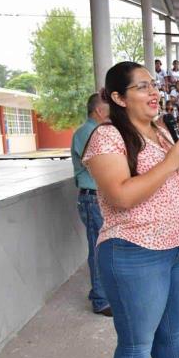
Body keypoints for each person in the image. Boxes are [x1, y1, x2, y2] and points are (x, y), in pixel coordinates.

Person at [82, 61, 179, 358]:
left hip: (178, 248)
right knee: (137, 346)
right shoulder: (107, 137)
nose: (154, 92)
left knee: (171, 340)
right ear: (119, 98)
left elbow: (175, 193)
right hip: (133, 252)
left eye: (154, 84)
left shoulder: (162, 132)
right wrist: (169, 162)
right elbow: (120, 196)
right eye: (143, 86)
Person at [70, 93, 111, 317]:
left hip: (96, 197)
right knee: (99, 249)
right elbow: (101, 165)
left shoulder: (94, 132)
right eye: (108, 107)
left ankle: (100, 291)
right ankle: (101, 299)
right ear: (98, 111)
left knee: (101, 247)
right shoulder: (88, 133)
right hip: (92, 197)